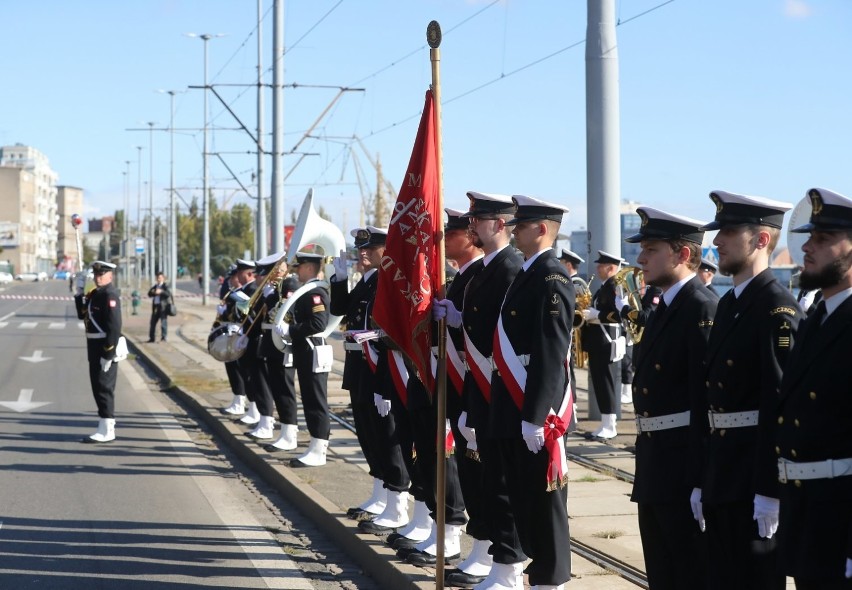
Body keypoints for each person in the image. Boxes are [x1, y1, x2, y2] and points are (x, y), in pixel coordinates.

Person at [695, 190, 802, 590]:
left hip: (752, 477)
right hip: (723, 472)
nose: (717, 240)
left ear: (760, 240)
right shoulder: (730, 304)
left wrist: (769, 490)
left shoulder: (777, 308)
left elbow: (780, 405)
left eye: (728, 231)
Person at [433, 191, 525, 589]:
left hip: (497, 391)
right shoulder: (485, 269)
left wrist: (458, 323)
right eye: (469, 221)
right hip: (477, 388)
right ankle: (488, 552)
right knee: (481, 480)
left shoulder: (508, 268)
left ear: (500, 224)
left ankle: (507, 563)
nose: (470, 227)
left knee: (499, 483)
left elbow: (503, 340)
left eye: (478, 220)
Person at [624, 207, 717, 589]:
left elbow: (708, 401)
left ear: (682, 254)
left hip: (681, 465)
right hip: (656, 459)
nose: (640, 258)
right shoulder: (665, 306)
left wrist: (700, 478)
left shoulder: (701, 307)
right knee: (661, 571)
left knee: (687, 571)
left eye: (651, 249)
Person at [489, 194, 574, 589]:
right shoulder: (527, 272)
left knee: (544, 503)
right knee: (523, 499)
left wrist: (536, 415)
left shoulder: (551, 277)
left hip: (532, 406)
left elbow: (550, 353)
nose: (512, 230)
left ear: (541, 230)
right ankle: (536, 575)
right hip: (512, 400)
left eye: (520, 226)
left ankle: (551, 580)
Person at [776, 187, 852, 589]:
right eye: (809, 236)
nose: (807, 247)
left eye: (823, 239)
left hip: (841, 521)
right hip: (809, 515)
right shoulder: (818, 315)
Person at [330, 227, 390, 521]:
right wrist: (339, 280)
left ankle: (393, 497)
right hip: (358, 365)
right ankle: (379, 492)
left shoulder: (385, 281)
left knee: (382, 434)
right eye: (360, 248)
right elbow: (341, 309)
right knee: (366, 433)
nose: (363, 253)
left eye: (371, 247)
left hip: (376, 365)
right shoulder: (367, 281)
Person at [280, 252, 333, 468]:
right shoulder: (307, 291)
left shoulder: (316, 292)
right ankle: (314, 444)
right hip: (305, 351)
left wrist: (290, 330)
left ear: (310, 268)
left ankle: (319, 449)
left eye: (299, 267)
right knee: (309, 399)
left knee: (316, 401)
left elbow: (318, 324)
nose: (296, 271)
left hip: (312, 351)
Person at [73, 261, 123, 444]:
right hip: (93, 347)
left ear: (110, 276)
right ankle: (103, 426)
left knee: (104, 388)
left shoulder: (110, 295)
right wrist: (78, 293)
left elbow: (114, 327)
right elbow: (82, 314)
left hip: (104, 347)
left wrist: (108, 354)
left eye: (102, 274)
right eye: (96, 275)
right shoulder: (95, 294)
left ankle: (108, 429)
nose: (98, 278)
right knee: (97, 387)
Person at [581, 250, 625, 440]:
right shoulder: (604, 286)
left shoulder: (615, 286)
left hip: (607, 341)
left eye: (601, 265)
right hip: (598, 341)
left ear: (611, 268)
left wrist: (596, 314)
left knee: (605, 382)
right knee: (599, 382)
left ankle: (610, 425)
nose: (597, 268)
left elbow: (619, 314)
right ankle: (606, 423)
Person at [147, 272, 171, 343]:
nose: (159, 279)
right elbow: (149, 293)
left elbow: (168, 294)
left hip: (163, 307)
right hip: (155, 307)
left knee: (163, 322)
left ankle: (164, 337)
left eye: (160, 278)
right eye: (157, 278)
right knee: (152, 322)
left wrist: (161, 292)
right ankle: (152, 338)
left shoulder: (165, 286)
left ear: (163, 278)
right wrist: (154, 292)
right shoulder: (155, 286)